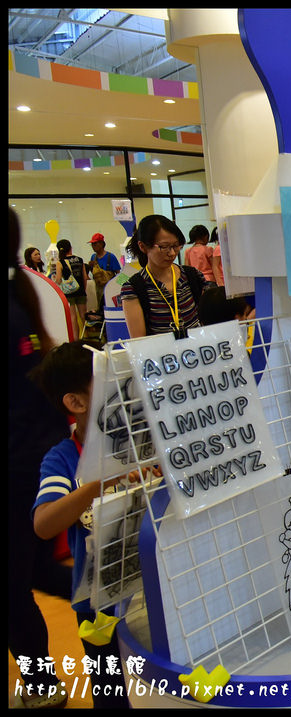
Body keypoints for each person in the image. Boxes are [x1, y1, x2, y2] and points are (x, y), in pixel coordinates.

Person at [31, 340, 134, 709]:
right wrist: (96, 485)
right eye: (108, 381)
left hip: (147, 594)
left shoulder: (137, 440)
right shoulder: (62, 459)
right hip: (97, 609)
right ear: (75, 403)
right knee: (111, 693)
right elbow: (44, 523)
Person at [8, 208, 75, 709]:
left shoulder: (19, 297)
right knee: (26, 573)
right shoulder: (24, 292)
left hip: (20, 460)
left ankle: (42, 687)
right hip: (33, 452)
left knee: (15, 581)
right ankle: (104, 594)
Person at [120, 214, 205, 338]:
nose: (171, 253)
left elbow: (206, 322)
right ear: (143, 246)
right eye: (164, 247)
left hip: (198, 352)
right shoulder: (133, 289)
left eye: (176, 246)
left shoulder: (192, 276)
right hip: (162, 356)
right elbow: (139, 342)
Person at [55, 238, 88, 332]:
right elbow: (85, 277)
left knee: (73, 318)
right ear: (70, 248)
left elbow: (58, 280)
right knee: (83, 316)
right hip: (81, 291)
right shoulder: (80, 260)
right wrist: (83, 290)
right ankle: (86, 337)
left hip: (68, 294)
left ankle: (76, 340)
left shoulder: (60, 262)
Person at [86, 232, 121, 314]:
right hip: (98, 289)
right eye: (92, 244)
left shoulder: (111, 257)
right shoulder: (93, 257)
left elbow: (119, 273)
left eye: (95, 244)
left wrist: (119, 288)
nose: (93, 246)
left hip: (110, 289)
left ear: (102, 244)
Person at [185, 224, 216, 289]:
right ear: (206, 236)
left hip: (196, 281)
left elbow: (187, 268)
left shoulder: (188, 251)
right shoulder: (208, 249)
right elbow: (214, 266)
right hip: (209, 280)